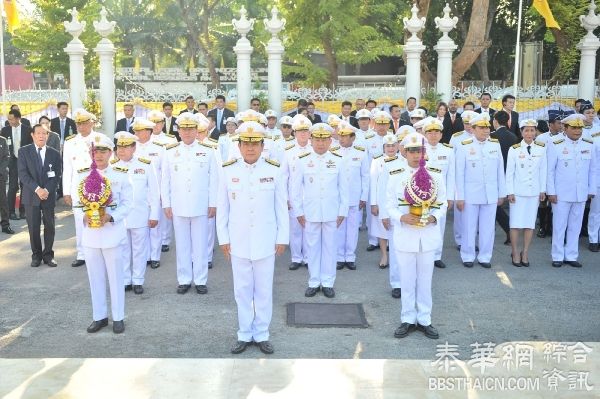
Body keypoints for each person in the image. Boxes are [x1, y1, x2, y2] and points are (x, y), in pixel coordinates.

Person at [217, 121, 288, 355]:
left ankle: (262, 333)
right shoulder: (228, 170)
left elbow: (281, 208)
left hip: (266, 240)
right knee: (242, 290)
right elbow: (222, 208)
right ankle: (244, 333)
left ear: (262, 145)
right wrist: (223, 239)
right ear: (238, 146)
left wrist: (282, 238)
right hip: (237, 240)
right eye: (245, 144)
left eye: (254, 144)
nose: (250, 148)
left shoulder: (274, 169)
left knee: (264, 290)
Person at [387, 132, 447, 340]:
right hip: (406, 235)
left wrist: (434, 218)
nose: (415, 155)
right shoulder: (395, 175)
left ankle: (425, 319)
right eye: (411, 151)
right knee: (407, 279)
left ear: (425, 152)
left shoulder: (436, 174)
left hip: (428, 234)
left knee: (425, 280)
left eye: (419, 150)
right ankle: (407, 318)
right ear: (404, 152)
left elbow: (443, 202)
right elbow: (389, 205)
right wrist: (401, 217)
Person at [74, 134, 132, 334]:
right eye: (94, 151)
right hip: (90, 235)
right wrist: (84, 216)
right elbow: (76, 203)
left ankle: (118, 317)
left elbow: (127, 204)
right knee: (95, 278)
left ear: (111, 153)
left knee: (116, 278)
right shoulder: (82, 174)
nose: (98, 155)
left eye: (102, 151)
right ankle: (99, 316)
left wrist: (112, 217)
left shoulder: (120, 174)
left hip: (112, 234)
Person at [161, 112, 218, 294]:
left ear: (196, 130)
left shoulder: (208, 151)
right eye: (183, 129)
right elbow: (165, 181)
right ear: (178, 130)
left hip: (201, 205)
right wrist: (166, 204)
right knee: (183, 245)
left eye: (190, 129)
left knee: (200, 245)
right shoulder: (169, 152)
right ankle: (184, 279)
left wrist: (213, 203)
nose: (186, 132)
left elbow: (214, 180)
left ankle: (200, 280)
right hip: (178, 205)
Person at [291, 123, 349, 298]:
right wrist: (298, 212)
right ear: (311, 140)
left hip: (332, 212)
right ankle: (314, 281)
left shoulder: (339, 160)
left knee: (330, 247)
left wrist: (343, 211)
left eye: (324, 140)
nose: (321, 144)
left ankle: (328, 282)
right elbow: (295, 189)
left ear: (330, 141)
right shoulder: (302, 160)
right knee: (312, 248)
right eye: (317, 140)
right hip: (310, 212)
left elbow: (344, 189)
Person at [455, 113, 506, 268]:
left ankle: (485, 256)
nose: (486, 130)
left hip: (490, 193)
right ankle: (467, 256)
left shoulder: (494, 145)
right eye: (482, 128)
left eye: (487, 127)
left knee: (488, 228)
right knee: (469, 227)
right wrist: (460, 197)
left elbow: (500, 171)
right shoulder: (464, 146)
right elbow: (459, 174)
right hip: (470, 194)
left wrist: (501, 193)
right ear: (473, 128)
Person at [113, 130, 160, 294]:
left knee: (140, 249)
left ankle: (138, 280)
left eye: (125, 147)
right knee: (122, 249)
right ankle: (125, 279)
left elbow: (154, 192)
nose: (121, 150)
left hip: (140, 214)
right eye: (119, 147)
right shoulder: (112, 166)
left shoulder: (145, 164)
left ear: (134, 148)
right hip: (120, 217)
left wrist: (154, 214)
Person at [547, 114, 596, 267]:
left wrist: (591, 189)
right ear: (565, 128)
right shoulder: (555, 143)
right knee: (559, 225)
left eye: (580, 128)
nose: (577, 131)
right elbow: (550, 171)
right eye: (574, 128)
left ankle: (571, 255)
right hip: (561, 193)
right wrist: (551, 192)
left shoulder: (589, 143)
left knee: (575, 226)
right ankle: (557, 256)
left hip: (580, 192)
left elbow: (593, 170)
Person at [62, 108, 105, 267]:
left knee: (97, 216)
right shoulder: (70, 141)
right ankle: (82, 253)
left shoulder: (100, 139)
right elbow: (67, 167)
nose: (81, 127)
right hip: (77, 184)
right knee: (80, 219)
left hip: (95, 182)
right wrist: (66, 191)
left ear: (92, 122)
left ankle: (98, 250)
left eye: (84, 123)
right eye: (79, 124)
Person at [17, 124, 62, 267]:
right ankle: (36, 255)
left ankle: (48, 255)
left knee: (50, 226)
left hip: (48, 195)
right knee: (33, 227)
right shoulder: (24, 151)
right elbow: (23, 175)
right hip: (31, 195)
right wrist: (38, 189)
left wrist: (47, 190)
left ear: (48, 135)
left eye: (45, 133)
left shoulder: (54, 153)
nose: (42, 136)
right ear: (32, 135)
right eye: (38, 133)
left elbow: (56, 175)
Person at [505, 119, 547, 267]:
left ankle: (525, 252)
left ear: (535, 132)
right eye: (526, 130)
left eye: (532, 130)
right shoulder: (514, 149)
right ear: (521, 132)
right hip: (517, 193)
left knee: (529, 225)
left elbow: (543, 170)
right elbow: (509, 173)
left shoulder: (541, 148)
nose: (530, 133)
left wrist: (543, 190)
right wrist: (509, 191)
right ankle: (515, 252)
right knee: (515, 224)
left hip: (534, 192)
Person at [334, 121, 369, 270]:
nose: (342, 139)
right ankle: (339, 256)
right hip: (338, 197)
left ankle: (350, 256)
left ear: (353, 137)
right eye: (340, 136)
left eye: (345, 136)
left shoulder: (361, 152)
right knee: (339, 227)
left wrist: (364, 196)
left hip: (355, 196)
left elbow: (365, 175)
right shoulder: (333, 151)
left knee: (353, 227)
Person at [375, 133, 405, 298]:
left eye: (415, 150)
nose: (412, 153)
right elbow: (382, 190)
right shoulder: (390, 164)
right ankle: (397, 283)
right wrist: (384, 215)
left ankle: (410, 282)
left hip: (415, 217)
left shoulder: (423, 165)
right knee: (395, 250)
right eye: (409, 149)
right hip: (395, 216)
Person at [423, 118, 455, 269]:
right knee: (423, 225)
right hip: (422, 195)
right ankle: (424, 254)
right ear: (425, 134)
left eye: (437, 132)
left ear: (441, 135)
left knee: (439, 226)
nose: (434, 135)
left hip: (441, 196)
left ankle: (436, 256)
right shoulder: (420, 150)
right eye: (430, 132)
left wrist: (450, 197)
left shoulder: (448, 150)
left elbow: (451, 176)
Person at [286, 115, 312, 270]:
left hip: (310, 196)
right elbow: (283, 177)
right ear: (294, 133)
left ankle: (309, 257)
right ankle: (296, 257)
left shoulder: (315, 148)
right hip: (293, 196)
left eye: (305, 131)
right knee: (295, 229)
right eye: (299, 131)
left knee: (309, 228)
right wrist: (285, 198)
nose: (303, 134)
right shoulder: (288, 151)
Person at [492, 110, 518, 245]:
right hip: (510, 173)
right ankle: (510, 230)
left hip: (495, 174)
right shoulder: (513, 136)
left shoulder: (492, 136)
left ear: (495, 121)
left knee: (493, 205)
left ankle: (509, 229)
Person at [1, 109, 33, 220]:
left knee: (25, 186)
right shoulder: (5, 130)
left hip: (25, 161)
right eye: (8, 119)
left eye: (12, 119)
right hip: (12, 161)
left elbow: (31, 147)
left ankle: (23, 211)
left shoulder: (27, 130)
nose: (9, 121)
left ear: (18, 118)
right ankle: (11, 212)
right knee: (13, 186)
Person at [0, 134, 14, 234]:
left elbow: (6, 156)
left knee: (3, 201)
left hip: (0, 175)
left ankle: (5, 225)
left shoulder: (3, 140)